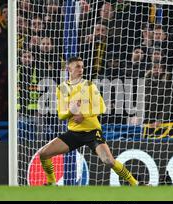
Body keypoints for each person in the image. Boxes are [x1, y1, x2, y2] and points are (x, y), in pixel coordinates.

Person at [38, 57, 139, 186]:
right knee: (44, 154)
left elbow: (102, 107)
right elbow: (61, 115)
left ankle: (135, 183)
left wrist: (83, 114)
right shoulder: (61, 88)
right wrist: (71, 110)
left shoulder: (89, 85)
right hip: (74, 133)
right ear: (69, 69)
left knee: (108, 160)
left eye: (82, 66)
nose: (81, 69)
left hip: (92, 132)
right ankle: (52, 183)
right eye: (77, 66)